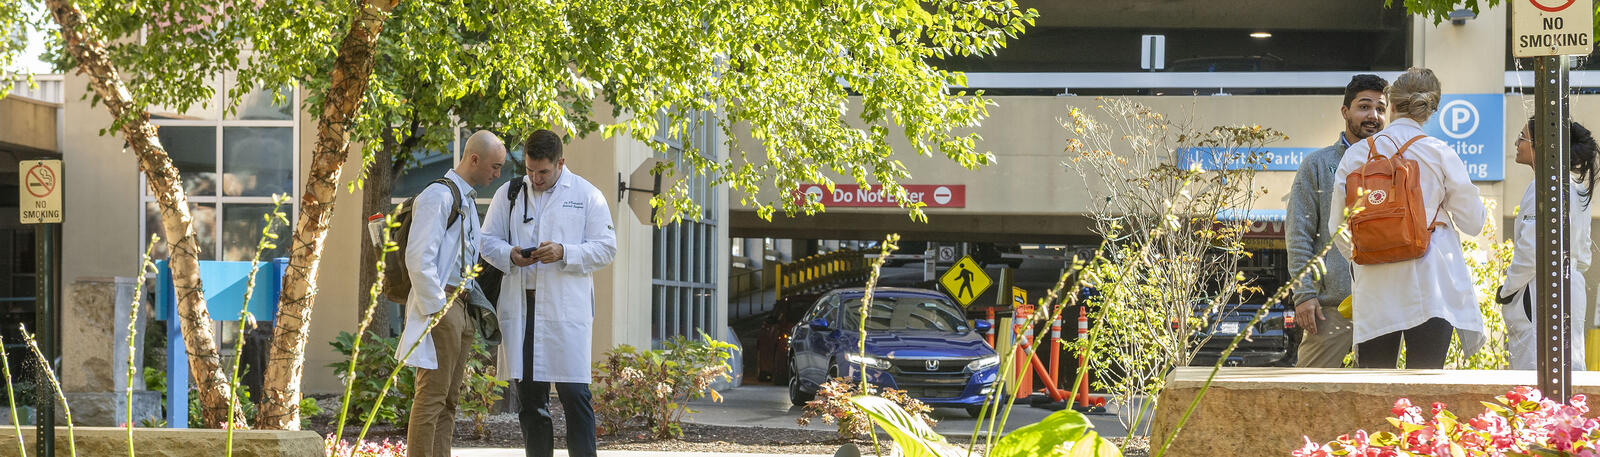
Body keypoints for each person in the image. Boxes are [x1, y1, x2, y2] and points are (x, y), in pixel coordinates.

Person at [1329, 67, 1487, 369]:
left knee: (1375, 387)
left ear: (1390, 103)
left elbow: (1338, 227)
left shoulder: (1357, 155)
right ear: (1431, 109)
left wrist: (1367, 254)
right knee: (1425, 384)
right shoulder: (1439, 152)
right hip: (1432, 282)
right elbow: (1473, 223)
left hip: (1375, 285)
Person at [481, 130, 616, 457]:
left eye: (543, 172)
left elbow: (606, 249)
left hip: (565, 311)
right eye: (529, 170)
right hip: (523, 309)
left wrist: (565, 252)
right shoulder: (509, 193)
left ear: (560, 163)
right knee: (531, 401)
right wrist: (511, 254)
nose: (535, 178)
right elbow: (486, 242)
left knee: (575, 395)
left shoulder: (586, 195)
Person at [398, 130, 507, 457]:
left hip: (462, 305)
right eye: (495, 166)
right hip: (442, 304)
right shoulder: (439, 196)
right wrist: (438, 308)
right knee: (431, 396)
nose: (497, 174)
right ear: (474, 159)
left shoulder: (467, 201)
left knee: (449, 399)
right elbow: (417, 257)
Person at [1285, 74, 1388, 368]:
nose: (1373, 116)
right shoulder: (1318, 165)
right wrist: (1303, 294)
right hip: (1330, 310)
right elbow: (1299, 234)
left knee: (1376, 404)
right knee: (1310, 398)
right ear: (1345, 112)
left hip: (1384, 310)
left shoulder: (1395, 165)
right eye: (1364, 107)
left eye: (1380, 109)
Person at [1498, 119, 1596, 370]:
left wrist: (1508, 290)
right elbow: (1584, 255)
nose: (1517, 144)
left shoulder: (1545, 186)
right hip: (1570, 284)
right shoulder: (1576, 186)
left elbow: (1531, 251)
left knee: (1534, 375)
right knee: (1568, 369)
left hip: (1540, 287)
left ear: (1540, 144)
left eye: (1522, 137)